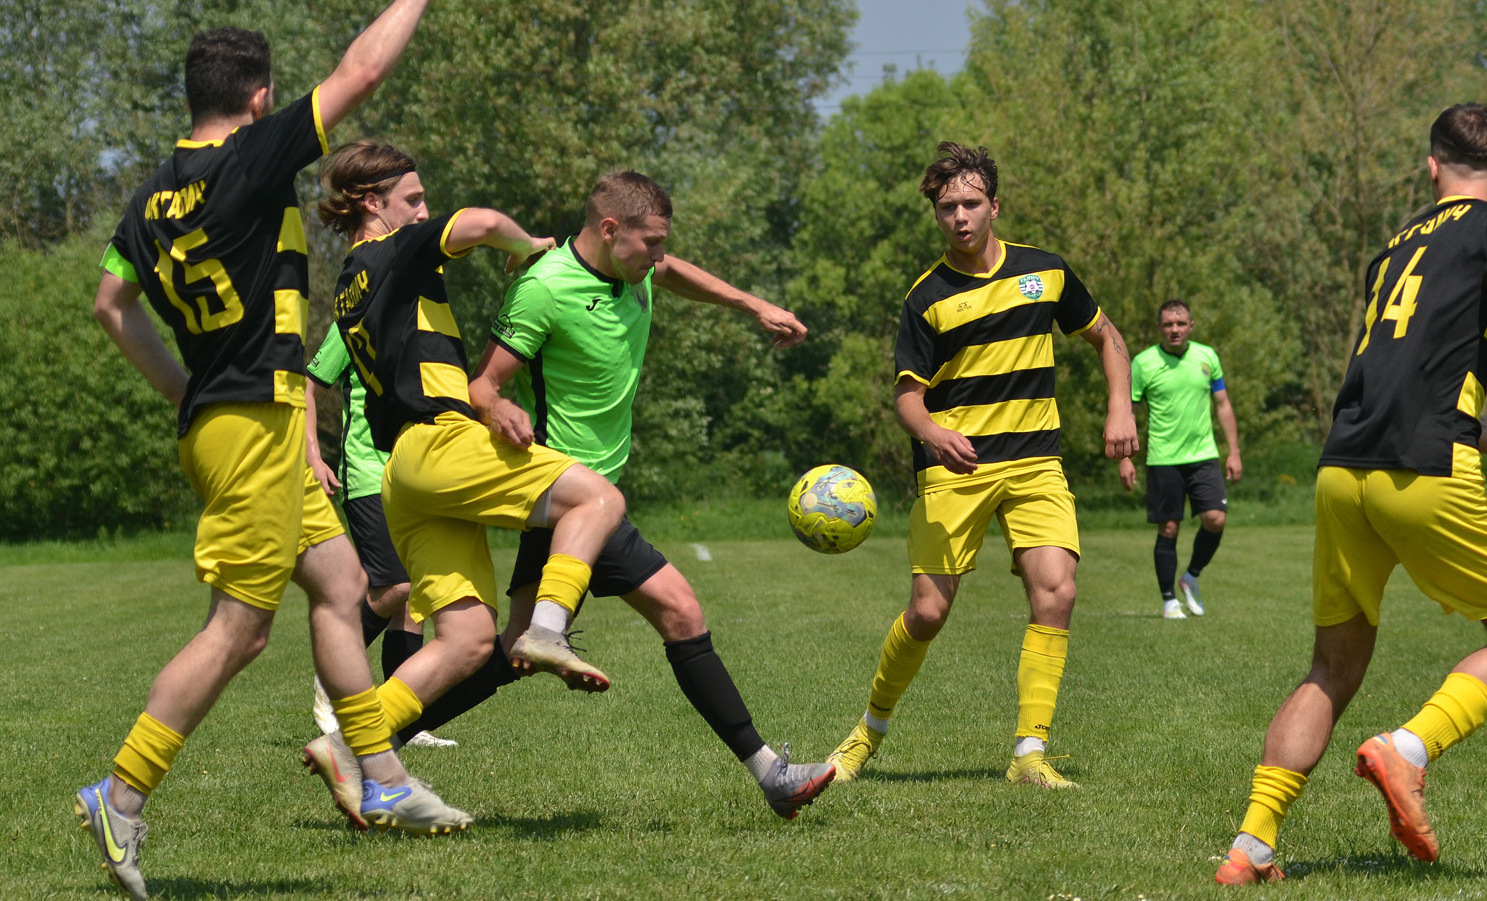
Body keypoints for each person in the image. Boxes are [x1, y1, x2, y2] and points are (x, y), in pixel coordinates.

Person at [77, 0, 471, 901]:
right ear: (258, 101)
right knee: (238, 630)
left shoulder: (151, 193)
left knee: (341, 588)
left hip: (235, 417)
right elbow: (363, 70)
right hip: (250, 424)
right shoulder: (247, 165)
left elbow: (110, 303)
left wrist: (187, 391)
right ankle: (120, 789)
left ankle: (379, 774)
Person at [396, 170, 836, 819]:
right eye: (650, 243)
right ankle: (770, 771)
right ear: (609, 229)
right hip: (570, 496)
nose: (658, 258)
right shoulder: (544, 286)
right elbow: (480, 383)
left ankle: (374, 732)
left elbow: (677, 271)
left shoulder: (637, 268)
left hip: (582, 497)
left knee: (510, 650)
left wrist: (752, 306)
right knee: (681, 610)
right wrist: (498, 411)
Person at [300, 140, 627, 819]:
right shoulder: (393, 251)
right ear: (373, 203)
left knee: (469, 640)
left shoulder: (350, 283)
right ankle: (545, 627)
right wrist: (529, 242)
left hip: (405, 475)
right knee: (598, 496)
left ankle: (349, 749)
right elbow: (477, 223)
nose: (423, 211)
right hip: (441, 442)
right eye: (412, 199)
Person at [1215, 104, 1487, 885]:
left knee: (1330, 666)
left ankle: (1252, 847)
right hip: (1426, 463)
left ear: (1432, 167)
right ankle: (1409, 747)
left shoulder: (1395, 247)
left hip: (1343, 467)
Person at [825, 141, 1137, 790]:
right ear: (936, 216)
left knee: (1057, 590)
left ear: (994, 205)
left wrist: (1119, 408)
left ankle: (1029, 754)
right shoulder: (926, 298)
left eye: (971, 203)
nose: (960, 217)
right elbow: (907, 399)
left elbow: (1108, 338)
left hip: (1035, 463)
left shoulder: (1045, 272)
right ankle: (865, 734)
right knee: (928, 613)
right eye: (946, 208)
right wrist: (934, 432)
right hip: (956, 470)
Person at [303, 329, 455, 748]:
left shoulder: (423, 319)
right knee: (396, 586)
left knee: (415, 599)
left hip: (413, 475)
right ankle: (331, 674)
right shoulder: (352, 321)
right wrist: (313, 456)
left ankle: (405, 717)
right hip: (368, 474)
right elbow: (306, 390)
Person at [1119, 300, 1241, 619]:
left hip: (1204, 456)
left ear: (1191, 326)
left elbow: (1224, 405)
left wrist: (1234, 452)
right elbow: (1128, 413)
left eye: (1181, 323)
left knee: (1216, 519)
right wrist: (1126, 458)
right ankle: (1169, 600)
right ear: (1160, 328)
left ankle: (1191, 577)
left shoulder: (1207, 357)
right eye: (1168, 325)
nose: (1175, 329)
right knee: (1169, 528)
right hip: (1163, 458)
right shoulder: (1144, 363)